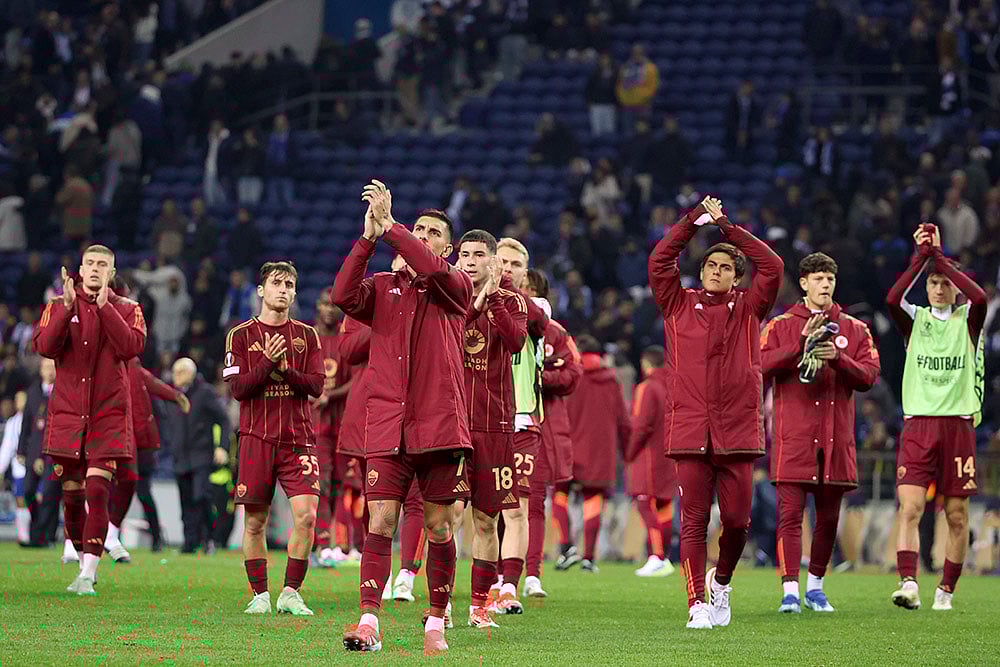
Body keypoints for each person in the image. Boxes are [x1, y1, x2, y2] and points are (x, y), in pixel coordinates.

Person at [334, 182, 473, 655]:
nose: (424, 236)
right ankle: (368, 621)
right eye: (420, 229)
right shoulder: (384, 287)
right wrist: (367, 238)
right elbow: (342, 294)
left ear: (447, 249)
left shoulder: (455, 285)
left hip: (439, 425)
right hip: (387, 423)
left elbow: (430, 267)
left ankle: (435, 620)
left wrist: (393, 227)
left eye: (433, 233)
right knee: (381, 519)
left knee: (439, 525)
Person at [647, 197, 783, 629]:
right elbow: (659, 259)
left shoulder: (749, 307)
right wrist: (692, 222)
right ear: (701, 270)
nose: (717, 271)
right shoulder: (677, 303)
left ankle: (721, 581)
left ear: (737, 276)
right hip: (690, 429)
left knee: (738, 523)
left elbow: (774, 266)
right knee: (693, 522)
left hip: (737, 430)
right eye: (710, 266)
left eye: (726, 267)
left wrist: (727, 227)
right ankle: (696, 604)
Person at [760, 252, 881, 613]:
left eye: (830, 278)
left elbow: (870, 376)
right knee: (789, 518)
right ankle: (789, 591)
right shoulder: (781, 326)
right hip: (794, 438)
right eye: (818, 278)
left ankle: (815, 588)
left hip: (835, 440)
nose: (825, 284)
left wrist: (839, 359)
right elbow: (759, 365)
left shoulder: (855, 330)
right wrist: (798, 345)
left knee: (828, 519)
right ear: (804, 283)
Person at [33, 245, 147, 595]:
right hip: (68, 414)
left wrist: (105, 308)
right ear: (80, 270)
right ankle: (84, 563)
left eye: (103, 265)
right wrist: (68, 309)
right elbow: (44, 347)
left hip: (107, 415)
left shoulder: (128, 308)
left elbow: (131, 348)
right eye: (90, 263)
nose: (96, 269)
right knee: (71, 495)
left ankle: (88, 572)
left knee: (98, 490)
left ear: (112, 272)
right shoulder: (58, 305)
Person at [885, 224, 986, 611]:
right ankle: (909, 583)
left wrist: (938, 258)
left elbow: (980, 296)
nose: (939, 289)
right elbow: (893, 298)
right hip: (919, 424)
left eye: (945, 283)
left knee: (957, 515)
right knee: (910, 508)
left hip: (958, 424)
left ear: (955, 288)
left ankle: (946, 591)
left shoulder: (968, 320)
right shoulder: (916, 320)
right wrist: (923, 259)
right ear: (926, 288)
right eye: (933, 283)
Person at [223, 260, 324, 615]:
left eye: (289, 285)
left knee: (307, 517)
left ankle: (291, 592)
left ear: (294, 293)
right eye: (277, 283)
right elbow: (239, 389)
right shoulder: (239, 336)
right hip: (257, 437)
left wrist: (286, 370)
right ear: (261, 290)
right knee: (255, 522)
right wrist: (266, 362)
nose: (283, 289)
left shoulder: (307, 336)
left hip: (298, 438)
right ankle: (260, 595)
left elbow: (316, 386)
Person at [455, 229, 527, 628]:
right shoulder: (448, 296)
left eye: (479, 254)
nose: (470, 261)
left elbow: (516, 342)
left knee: (486, 520)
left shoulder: (513, 301)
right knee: (445, 518)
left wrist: (494, 297)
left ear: (493, 261)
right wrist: (475, 303)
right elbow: (446, 338)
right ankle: (441, 605)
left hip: (494, 424)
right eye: (464, 253)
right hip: (450, 423)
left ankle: (480, 607)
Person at [492, 237, 549, 612]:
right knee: (473, 510)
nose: (508, 269)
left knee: (517, 506)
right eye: (503, 262)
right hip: (481, 417)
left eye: (515, 264)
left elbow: (536, 321)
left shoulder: (536, 306)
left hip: (522, 418)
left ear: (525, 272)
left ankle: (510, 586)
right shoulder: (474, 299)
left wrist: (497, 285)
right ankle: (486, 581)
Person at [523, 269, 581, 598]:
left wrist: (538, 378)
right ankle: (498, 575)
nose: (526, 294)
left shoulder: (556, 332)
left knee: (533, 502)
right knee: (494, 505)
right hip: (498, 422)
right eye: (521, 288)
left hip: (539, 425)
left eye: (531, 289)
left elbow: (573, 373)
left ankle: (532, 573)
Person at [105, 353, 190, 561]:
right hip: (116, 440)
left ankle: (152, 536)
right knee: (112, 491)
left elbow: (153, 383)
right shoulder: (109, 365)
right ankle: (110, 536)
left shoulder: (132, 366)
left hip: (139, 446)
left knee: (139, 492)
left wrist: (175, 395)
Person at [561, 335, 631, 573]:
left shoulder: (569, 376)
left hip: (568, 447)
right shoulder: (611, 381)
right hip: (601, 452)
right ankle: (589, 558)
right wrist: (627, 452)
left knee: (560, 494)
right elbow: (624, 421)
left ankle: (566, 548)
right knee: (593, 501)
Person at [625, 345, 679, 578]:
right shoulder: (674, 387)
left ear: (646, 364)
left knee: (645, 504)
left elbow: (641, 425)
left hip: (648, 457)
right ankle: (664, 557)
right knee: (664, 507)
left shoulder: (647, 388)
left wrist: (629, 452)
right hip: (670, 456)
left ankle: (656, 557)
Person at [310, 289, 354, 567]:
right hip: (316, 425)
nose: (329, 309)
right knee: (322, 483)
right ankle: (322, 542)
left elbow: (358, 378)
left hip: (344, 423)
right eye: (324, 304)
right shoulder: (307, 338)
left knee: (342, 484)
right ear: (317, 306)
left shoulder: (346, 339)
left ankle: (341, 544)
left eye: (333, 305)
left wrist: (331, 395)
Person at [172, 357, 231, 554]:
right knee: (185, 501)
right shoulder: (174, 395)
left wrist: (222, 447)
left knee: (201, 497)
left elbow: (224, 420)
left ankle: (209, 538)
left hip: (201, 454)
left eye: (180, 372)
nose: (175, 376)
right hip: (181, 456)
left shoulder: (205, 392)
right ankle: (189, 542)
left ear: (190, 373)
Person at [17, 358, 59, 547]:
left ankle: (42, 537)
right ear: (41, 370)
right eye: (46, 367)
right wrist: (21, 450)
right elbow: (26, 423)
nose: (50, 371)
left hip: (54, 452)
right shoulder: (33, 392)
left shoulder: (62, 391)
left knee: (51, 494)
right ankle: (39, 530)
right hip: (34, 451)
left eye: (52, 367)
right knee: (28, 491)